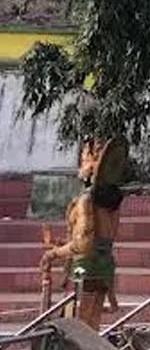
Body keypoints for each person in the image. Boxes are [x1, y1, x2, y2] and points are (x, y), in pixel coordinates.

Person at [41, 138, 127, 328]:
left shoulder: (86, 200)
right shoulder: (111, 202)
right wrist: (61, 243)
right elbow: (99, 240)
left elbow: (83, 244)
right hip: (102, 270)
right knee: (90, 327)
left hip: (84, 272)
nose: (82, 163)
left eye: (85, 158)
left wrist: (53, 254)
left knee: (76, 329)